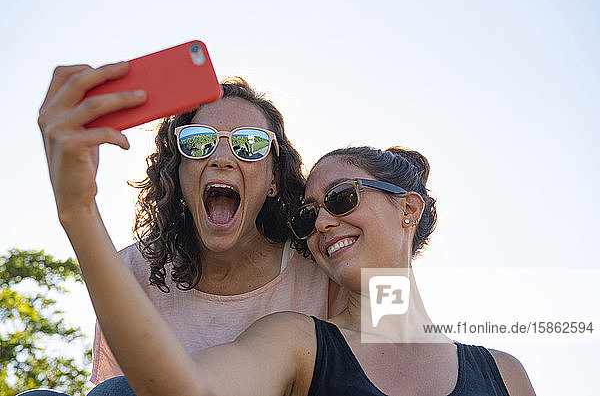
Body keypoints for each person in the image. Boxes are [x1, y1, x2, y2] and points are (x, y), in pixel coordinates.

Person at [38, 83, 537, 396]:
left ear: (409, 208)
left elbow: (394, 330)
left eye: (341, 198)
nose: (320, 223)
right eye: (309, 214)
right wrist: (79, 212)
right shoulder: (296, 340)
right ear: (177, 166)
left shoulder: (501, 373)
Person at [25, 62, 345, 395]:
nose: (222, 158)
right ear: (178, 171)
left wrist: (398, 228)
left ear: (274, 179)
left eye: (249, 145)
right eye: (198, 142)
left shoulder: (323, 263)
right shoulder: (132, 271)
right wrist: (77, 205)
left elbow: (396, 332)